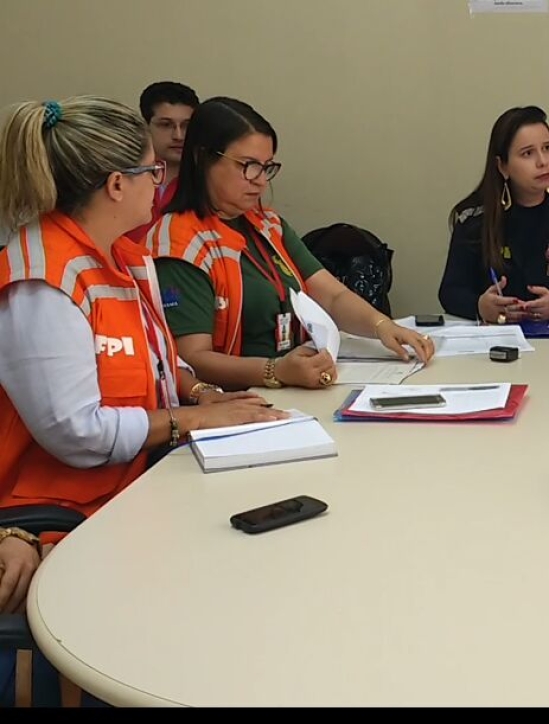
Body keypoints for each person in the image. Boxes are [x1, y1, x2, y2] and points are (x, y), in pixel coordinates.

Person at [0, 96, 287, 606]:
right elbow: (78, 432)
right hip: (59, 511)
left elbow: (158, 361)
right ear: (117, 184)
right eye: (153, 172)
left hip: (132, 487)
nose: (160, 183)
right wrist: (190, 420)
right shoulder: (42, 282)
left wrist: (202, 395)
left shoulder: (119, 256)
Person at [139, 97, 435, 390]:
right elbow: (192, 359)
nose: (260, 180)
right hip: (237, 399)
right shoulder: (179, 242)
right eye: (248, 166)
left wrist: (382, 325)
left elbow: (332, 296)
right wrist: (274, 370)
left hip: (294, 383)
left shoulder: (267, 225)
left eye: (266, 167)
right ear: (202, 158)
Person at [438, 105, 549, 324]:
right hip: (497, 335)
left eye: (547, 148)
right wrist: (479, 306)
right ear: (502, 166)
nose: (543, 162)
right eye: (528, 153)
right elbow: (451, 291)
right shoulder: (473, 218)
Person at [126, 81, 199, 242]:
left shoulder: (206, 183)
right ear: (145, 126)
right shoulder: (124, 178)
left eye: (186, 126)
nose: (178, 136)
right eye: (166, 125)